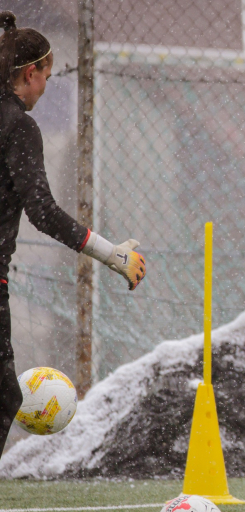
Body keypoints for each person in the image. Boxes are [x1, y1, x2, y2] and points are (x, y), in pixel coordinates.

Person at [0, 11, 147, 467]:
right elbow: (42, 211)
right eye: (45, 76)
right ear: (30, 74)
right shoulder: (18, 126)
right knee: (7, 394)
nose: (45, 87)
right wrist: (112, 254)